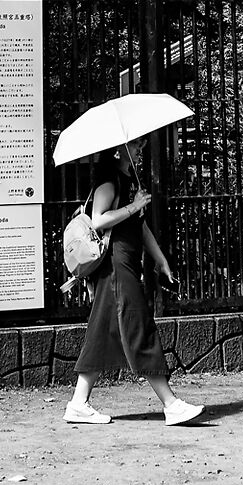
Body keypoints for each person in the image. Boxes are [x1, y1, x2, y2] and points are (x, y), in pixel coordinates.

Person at [65, 150, 202, 426]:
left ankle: (78, 403)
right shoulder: (110, 180)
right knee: (139, 326)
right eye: (136, 143)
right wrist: (132, 205)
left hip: (125, 264)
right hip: (116, 266)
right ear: (118, 149)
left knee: (102, 333)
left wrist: (160, 259)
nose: (140, 148)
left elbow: (140, 227)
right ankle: (171, 404)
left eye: (140, 143)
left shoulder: (129, 180)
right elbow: (99, 218)